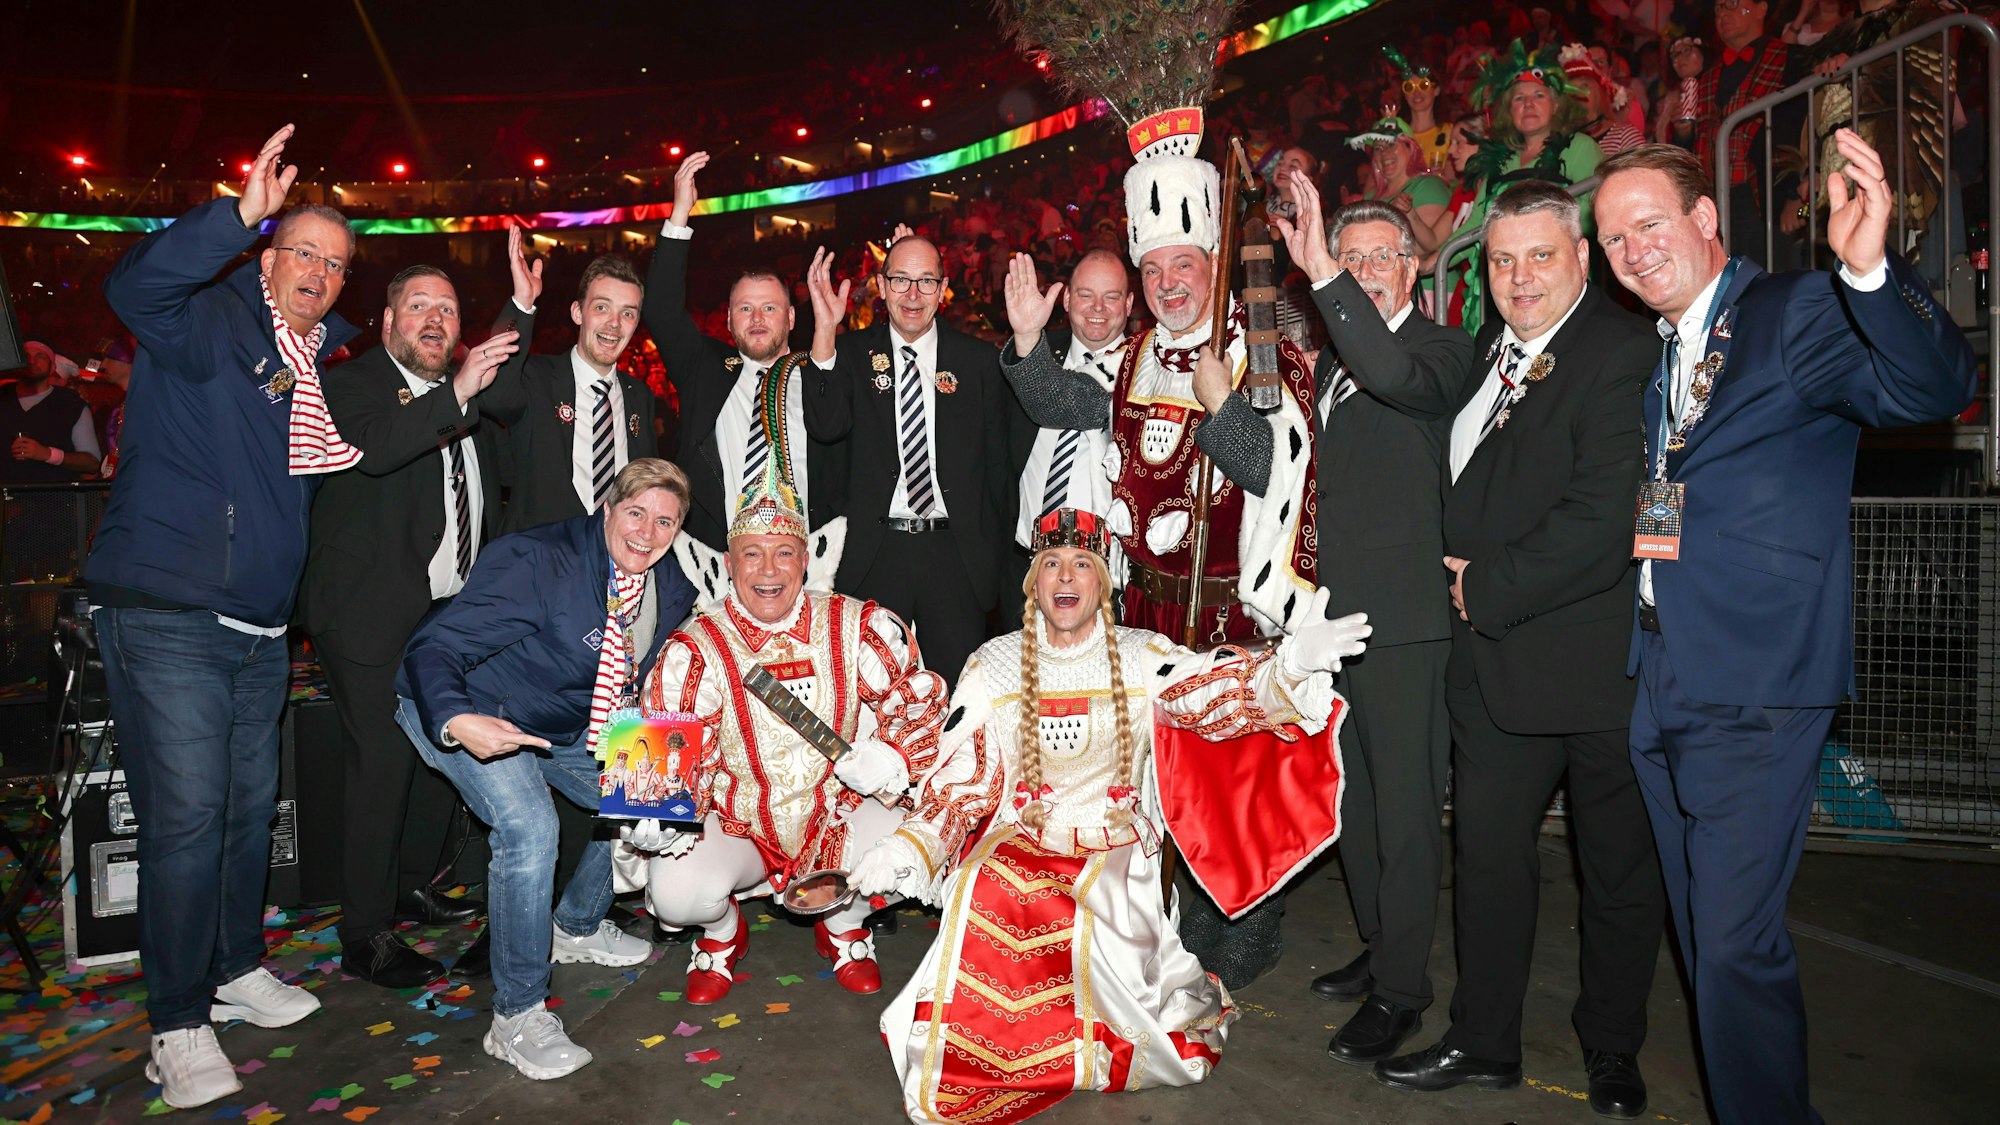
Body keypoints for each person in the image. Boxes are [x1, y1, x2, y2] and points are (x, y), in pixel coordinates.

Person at [1594, 137, 1976, 1124]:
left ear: (1704, 220)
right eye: (1611, 238)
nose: (1631, 250)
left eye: (1648, 224)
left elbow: (1929, 390)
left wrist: (1867, 273)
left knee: (1731, 947)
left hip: (1753, 683)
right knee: (1704, 938)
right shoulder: (1667, 353)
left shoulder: (1790, 312)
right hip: (1662, 679)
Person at [866, 507, 1371, 1125]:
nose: (1066, 577)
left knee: (1067, 915)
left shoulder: (1142, 655)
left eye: (1083, 564)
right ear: (1033, 583)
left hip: (1114, 850)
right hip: (1024, 836)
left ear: (1105, 582)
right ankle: (990, 1057)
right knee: (981, 885)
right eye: (1051, 564)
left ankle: (1059, 1053)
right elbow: (960, 786)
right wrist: (909, 848)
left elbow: (1210, 693)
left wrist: (1288, 665)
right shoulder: (993, 664)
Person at [997, 104, 1325, 989]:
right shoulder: (1135, 348)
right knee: (1150, 780)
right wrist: (1030, 339)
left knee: (1232, 784)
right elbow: (1064, 404)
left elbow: (1269, 472)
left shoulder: (1263, 346)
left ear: (1213, 262)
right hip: (1143, 611)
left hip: (1227, 616)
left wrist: (1224, 405)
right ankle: (1161, 924)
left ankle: (1244, 935)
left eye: (1185, 263)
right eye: (1155, 267)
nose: (1171, 281)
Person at [1374, 181, 1666, 1122]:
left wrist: (1482, 585)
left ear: (1582, 257)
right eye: (1502, 260)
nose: (1520, 277)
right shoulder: (1492, 351)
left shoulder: (1621, 355)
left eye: (1540, 256)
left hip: (1591, 673)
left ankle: (1613, 1047)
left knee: (1618, 873)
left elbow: (1602, 517)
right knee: (1493, 866)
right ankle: (1484, 1038)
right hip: (1491, 675)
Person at [85, 124, 355, 1110]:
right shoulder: (205, 320)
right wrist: (234, 215)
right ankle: (176, 1019)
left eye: (335, 263)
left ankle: (236, 969)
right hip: (167, 612)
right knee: (188, 819)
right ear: (268, 257)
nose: (320, 272)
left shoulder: (317, 358)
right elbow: (132, 290)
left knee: (247, 814)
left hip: (256, 627)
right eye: (304, 252)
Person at [1204, 182, 1471, 1065]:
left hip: (1405, 624)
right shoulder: (1330, 368)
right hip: (1330, 621)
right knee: (1349, 803)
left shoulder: (1438, 349)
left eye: (1378, 257)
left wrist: (1318, 273)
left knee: (1401, 813)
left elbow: (1394, 378)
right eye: (1347, 258)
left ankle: (1404, 989)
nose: (1362, 273)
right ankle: (1378, 943)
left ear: (1415, 266)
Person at [395, 458, 699, 1080]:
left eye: (664, 521)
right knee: (531, 829)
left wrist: (652, 791)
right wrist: (456, 719)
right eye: (635, 512)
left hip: (567, 723)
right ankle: (516, 1017)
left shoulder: (667, 584)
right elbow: (436, 647)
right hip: (472, 706)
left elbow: (645, 690)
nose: (647, 532)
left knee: (647, 802)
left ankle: (577, 927)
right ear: (608, 509)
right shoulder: (537, 559)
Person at [634, 459, 948, 1004]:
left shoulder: (859, 624)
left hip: (839, 813)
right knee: (675, 897)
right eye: (751, 554)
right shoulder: (695, 647)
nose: (768, 570)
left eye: (783, 553)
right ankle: (723, 933)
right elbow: (663, 746)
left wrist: (892, 757)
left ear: (806, 559)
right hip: (741, 823)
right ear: (730, 564)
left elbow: (918, 704)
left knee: (913, 850)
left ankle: (845, 921)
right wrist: (656, 810)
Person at [299, 265, 514, 989]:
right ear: (387, 322)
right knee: (384, 763)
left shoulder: (465, 401)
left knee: (438, 753)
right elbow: (384, 447)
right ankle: (364, 933)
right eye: (416, 304)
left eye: (448, 309)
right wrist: (457, 394)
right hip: (364, 608)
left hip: (442, 614)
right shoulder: (350, 385)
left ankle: (411, 885)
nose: (433, 318)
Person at [799, 229, 1021, 690]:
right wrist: (824, 330)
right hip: (876, 552)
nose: (913, 295)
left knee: (957, 698)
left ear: (943, 289)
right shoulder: (853, 354)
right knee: (873, 695)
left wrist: (998, 569)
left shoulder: (979, 362)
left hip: (955, 555)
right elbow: (824, 425)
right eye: (900, 280)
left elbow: (999, 476)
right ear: (881, 287)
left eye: (926, 282)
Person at [642, 151, 844, 548]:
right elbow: (661, 309)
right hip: (720, 560)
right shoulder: (705, 369)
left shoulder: (820, 376)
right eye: (745, 309)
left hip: (806, 559)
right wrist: (680, 213)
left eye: (769, 308)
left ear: (789, 318)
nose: (756, 318)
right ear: (729, 321)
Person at [483, 238, 659, 534]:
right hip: (540, 564)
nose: (614, 324)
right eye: (602, 307)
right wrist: (522, 305)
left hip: (617, 563)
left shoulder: (640, 397)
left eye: (627, 313)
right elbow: (493, 394)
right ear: (578, 313)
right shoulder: (536, 378)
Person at [1012, 250, 1132, 553]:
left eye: (1112, 297)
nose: (1098, 307)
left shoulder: (1147, 367)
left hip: (1110, 570)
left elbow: (1062, 400)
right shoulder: (1027, 355)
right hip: (1023, 562)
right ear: (1066, 300)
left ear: (1129, 304)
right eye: (1085, 294)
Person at [1690, 0, 1806, 266]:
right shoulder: (1708, 76)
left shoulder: (1793, 59)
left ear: (1761, 8)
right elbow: (1696, 142)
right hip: (1716, 194)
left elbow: (1798, 128)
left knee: (1773, 280)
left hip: (1765, 193)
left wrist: (1795, 194)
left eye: (1731, 4)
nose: (1723, 14)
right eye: (1718, 8)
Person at [2, 340, 101, 482]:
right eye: (26, 356)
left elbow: (92, 463)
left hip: (52, 501)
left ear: (52, 367)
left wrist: (48, 454)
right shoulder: (3, 399)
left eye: (40, 356)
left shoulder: (71, 405)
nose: (31, 361)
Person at [1563, 44, 1646, 156]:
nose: (1579, 92)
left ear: (1598, 93)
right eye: (1572, 88)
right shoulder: (1560, 140)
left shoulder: (1624, 136)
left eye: (1585, 85)